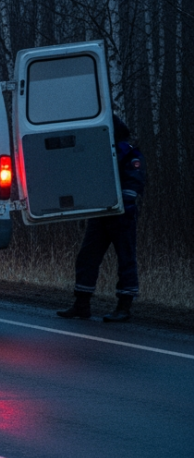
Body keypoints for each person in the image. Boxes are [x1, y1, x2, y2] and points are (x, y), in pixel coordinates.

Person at [58, 116, 146, 322]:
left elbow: (133, 186)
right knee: (88, 257)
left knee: (125, 260)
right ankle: (82, 304)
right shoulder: (103, 152)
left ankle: (124, 307)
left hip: (121, 215)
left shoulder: (130, 154)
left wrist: (119, 206)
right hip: (101, 214)